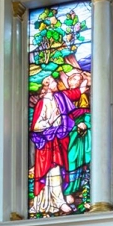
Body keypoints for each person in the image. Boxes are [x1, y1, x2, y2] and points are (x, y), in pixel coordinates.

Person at [29, 75, 75, 215]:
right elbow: (36, 126)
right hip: (46, 142)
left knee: (59, 169)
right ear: (48, 85)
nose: (57, 83)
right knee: (52, 170)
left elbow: (67, 114)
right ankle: (56, 201)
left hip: (58, 139)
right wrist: (52, 121)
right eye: (54, 82)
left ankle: (60, 199)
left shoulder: (58, 98)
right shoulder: (42, 102)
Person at [61, 69, 91, 203]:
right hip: (68, 133)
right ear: (68, 81)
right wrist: (74, 125)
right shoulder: (62, 97)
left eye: (79, 79)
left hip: (82, 133)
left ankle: (79, 190)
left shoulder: (84, 96)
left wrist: (86, 123)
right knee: (70, 160)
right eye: (74, 79)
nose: (77, 81)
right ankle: (68, 191)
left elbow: (87, 113)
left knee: (82, 160)